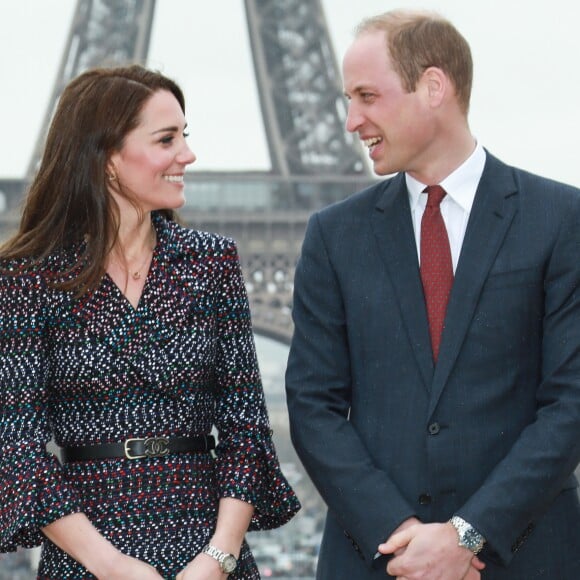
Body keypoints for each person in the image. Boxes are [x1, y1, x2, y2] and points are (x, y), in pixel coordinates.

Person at [285, 9, 580, 580]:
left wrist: (468, 536)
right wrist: (400, 535)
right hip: (381, 558)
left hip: (527, 558)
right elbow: (312, 406)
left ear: (434, 87)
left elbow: (572, 402)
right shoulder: (333, 235)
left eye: (367, 96)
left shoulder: (562, 218)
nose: (351, 120)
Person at [0, 64, 300, 579]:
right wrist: (112, 566)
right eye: (167, 139)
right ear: (106, 157)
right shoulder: (28, 278)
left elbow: (246, 427)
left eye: (185, 136)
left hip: (208, 550)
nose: (188, 154)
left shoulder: (212, 263)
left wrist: (219, 556)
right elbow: (17, 444)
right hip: (88, 553)